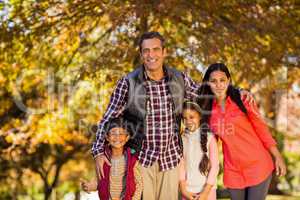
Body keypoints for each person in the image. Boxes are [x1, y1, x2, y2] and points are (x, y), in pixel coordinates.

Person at [92, 32, 253, 200]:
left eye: (155, 49)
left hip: (170, 161)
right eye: (146, 51)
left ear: (164, 52)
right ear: (141, 54)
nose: (151, 54)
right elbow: (108, 118)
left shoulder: (179, 79)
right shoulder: (128, 82)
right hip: (140, 160)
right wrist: (98, 151)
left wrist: (236, 91)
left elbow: (206, 94)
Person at [198, 63, 287, 200]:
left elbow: (261, 128)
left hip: (258, 164)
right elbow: (211, 142)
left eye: (222, 80)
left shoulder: (243, 100)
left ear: (228, 81)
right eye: (213, 81)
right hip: (233, 170)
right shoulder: (208, 111)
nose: (218, 85)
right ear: (208, 84)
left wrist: (277, 156)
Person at [82, 117, 142, 200]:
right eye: (113, 133)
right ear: (107, 137)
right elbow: (99, 182)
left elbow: (138, 183)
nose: (117, 137)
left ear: (127, 138)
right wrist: (90, 186)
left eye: (121, 133)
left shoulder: (132, 159)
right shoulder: (102, 159)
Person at [179, 100, 219, 200]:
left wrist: (205, 192)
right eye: (185, 118)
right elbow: (181, 166)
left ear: (200, 117)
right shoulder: (182, 139)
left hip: (208, 191)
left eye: (191, 117)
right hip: (188, 192)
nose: (188, 121)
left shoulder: (210, 138)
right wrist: (183, 189)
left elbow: (215, 167)